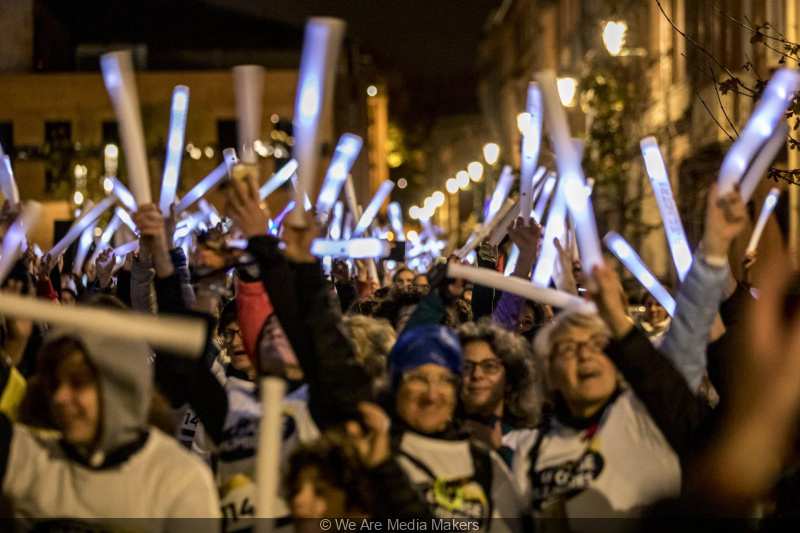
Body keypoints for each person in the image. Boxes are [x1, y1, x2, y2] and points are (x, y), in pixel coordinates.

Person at [3, 330, 219, 528]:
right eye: (55, 384)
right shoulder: (28, 458)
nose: (59, 398)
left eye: (78, 383)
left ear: (119, 389)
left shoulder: (179, 481)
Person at [458, 320, 544, 464]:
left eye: (490, 366)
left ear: (510, 379)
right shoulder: (438, 439)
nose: (477, 374)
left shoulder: (532, 443)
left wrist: (497, 451)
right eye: (467, 367)